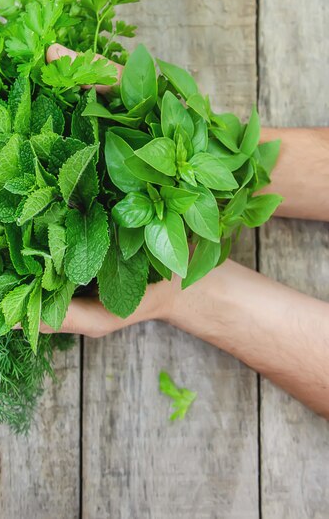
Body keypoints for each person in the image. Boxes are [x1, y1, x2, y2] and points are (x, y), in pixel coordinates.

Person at [40, 43, 329, 418]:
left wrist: (178, 292)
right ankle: (244, 173)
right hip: (182, 170)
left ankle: (235, 182)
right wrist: (203, 144)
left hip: (170, 187)